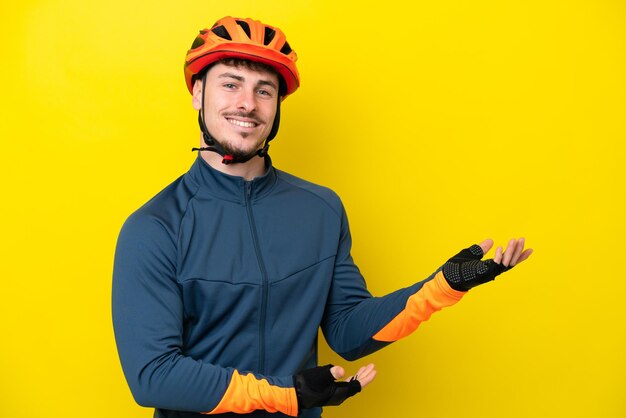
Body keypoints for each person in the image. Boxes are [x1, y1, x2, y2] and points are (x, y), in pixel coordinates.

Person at [112, 16, 533, 418]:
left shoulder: (320, 209)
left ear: (277, 105)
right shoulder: (155, 227)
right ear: (198, 93)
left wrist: (439, 288)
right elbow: (153, 376)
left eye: (264, 90)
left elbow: (348, 331)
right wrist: (285, 395)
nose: (247, 103)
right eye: (230, 84)